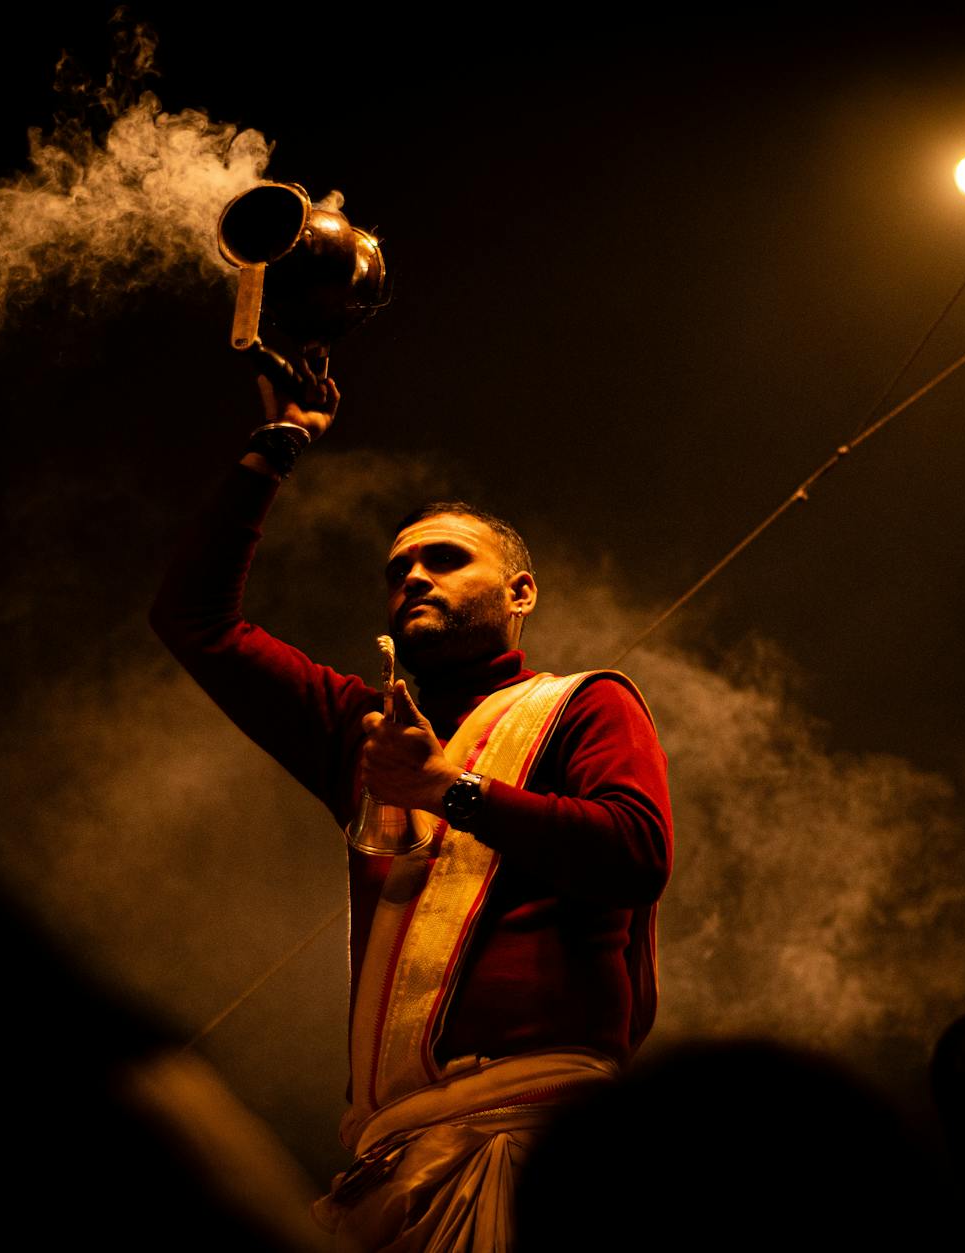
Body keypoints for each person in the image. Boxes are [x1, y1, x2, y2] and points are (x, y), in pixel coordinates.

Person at [150, 370, 672, 1252]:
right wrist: (273, 447)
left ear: (521, 593)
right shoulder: (369, 729)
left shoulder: (585, 703)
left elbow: (635, 854)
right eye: (398, 571)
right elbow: (194, 620)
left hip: (531, 1136)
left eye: (445, 559)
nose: (414, 578)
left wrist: (449, 792)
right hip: (387, 1157)